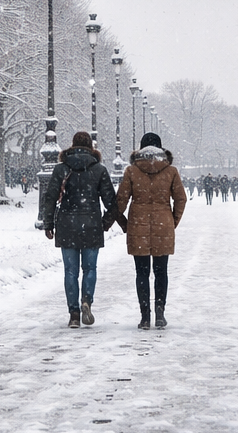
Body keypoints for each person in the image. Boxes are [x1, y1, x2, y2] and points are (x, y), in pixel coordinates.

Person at [41, 132, 121, 328]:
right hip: (91, 224)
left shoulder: (61, 168)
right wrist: (105, 222)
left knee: (70, 271)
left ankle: (74, 314)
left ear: (72, 145)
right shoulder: (99, 169)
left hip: (67, 225)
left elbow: (50, 197)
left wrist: (48, 223)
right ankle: (86, 300)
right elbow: (112, 202)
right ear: (91, 147)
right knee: (90, 268)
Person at [115, 133, 186, 329]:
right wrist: (173, 221)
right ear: (161, 149)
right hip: (164, 224)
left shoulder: (131, 171)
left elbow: (120, 201)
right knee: (161, 271)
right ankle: (160, 313)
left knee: (142, 273)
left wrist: (124, 223)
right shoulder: (171, 171)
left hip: (138, 224)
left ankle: (145, 316)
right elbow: (181, 198)